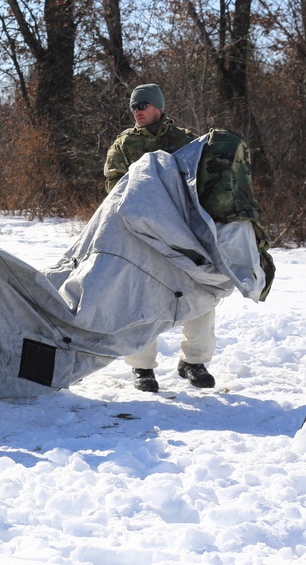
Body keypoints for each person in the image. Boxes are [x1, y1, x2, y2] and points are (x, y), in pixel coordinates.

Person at [103, 83, 216, 393]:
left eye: (143, 105)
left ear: (158, 107)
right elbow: (114, 190)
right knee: (141, 296)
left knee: (202, 291)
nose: (137, 111)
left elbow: (202, 182)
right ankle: (142, 367)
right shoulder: (124, 145)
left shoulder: (185, 140)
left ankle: (194, 361)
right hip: (140, 234)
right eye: (133, 107)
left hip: (183, 233)